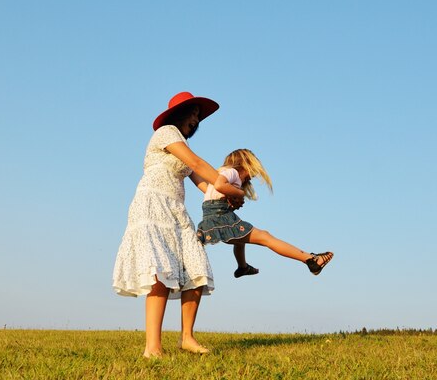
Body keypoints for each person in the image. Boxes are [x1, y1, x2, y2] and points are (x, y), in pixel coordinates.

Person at [112, 91, 244, 359]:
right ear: (178, 114)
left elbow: (206, 185)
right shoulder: (166, 132)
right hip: (153, 205)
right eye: (193, 114)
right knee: (160, 274)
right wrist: (231, 189)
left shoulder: (182, 145)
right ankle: (153, 348)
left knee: (196, 269)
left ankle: (187, 338)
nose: (196, 120)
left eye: (198, 117)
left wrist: (226, 198)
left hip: (176, 212)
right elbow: (198, 164)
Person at [196, 148, 334, 277]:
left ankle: (242, 267)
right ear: (247, 163)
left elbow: (215, 192)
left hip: (212, 218)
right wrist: (239, 193)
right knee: (266, 237)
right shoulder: (232, 172)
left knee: (240, 239)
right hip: (220, 217)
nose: (250, 179)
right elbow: (220, 186)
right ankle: (311, 260)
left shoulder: (223, 173)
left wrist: (231, 198)